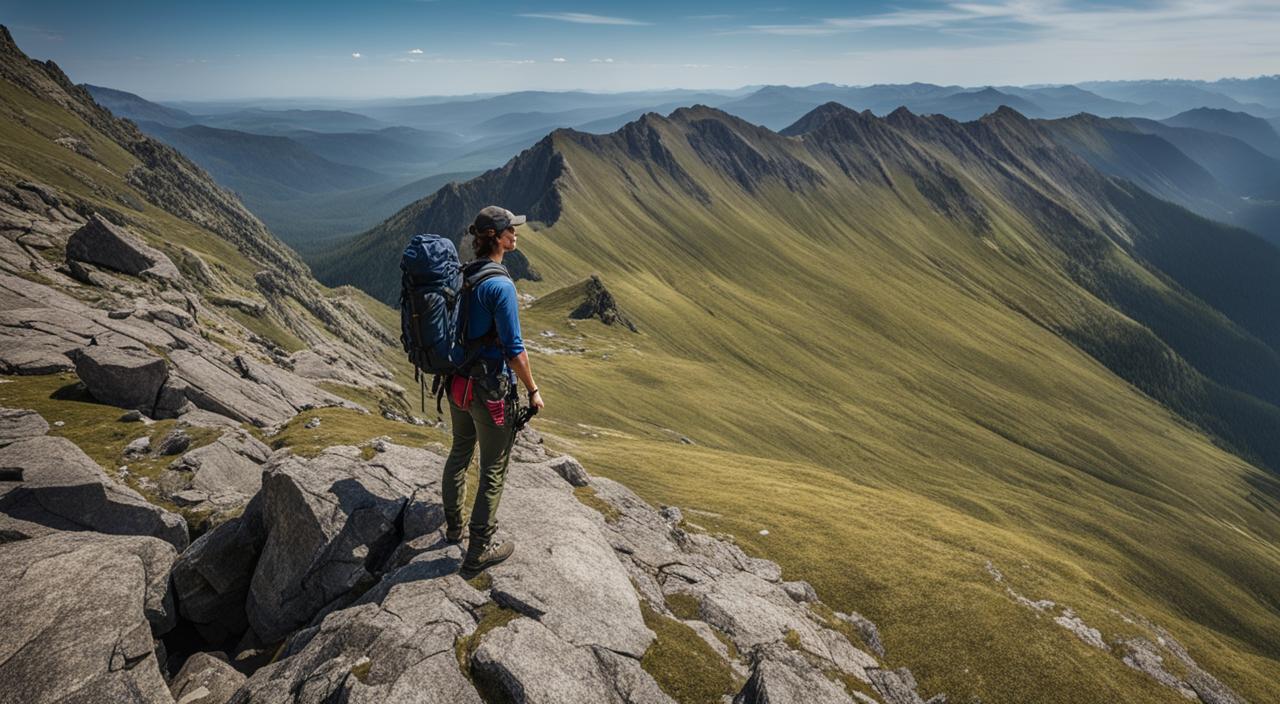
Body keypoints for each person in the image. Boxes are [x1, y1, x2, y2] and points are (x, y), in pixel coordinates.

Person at [441, 205, 545, 574]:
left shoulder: (466, 274)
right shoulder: (500, 286)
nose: (515, 234)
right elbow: (514, 351)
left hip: (457, 383)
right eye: (510, 230)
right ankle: (478, 552)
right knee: (493, 470)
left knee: (459, 451)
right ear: (497, 238)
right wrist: (532, 390)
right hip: (489, 390)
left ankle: (453, 527)